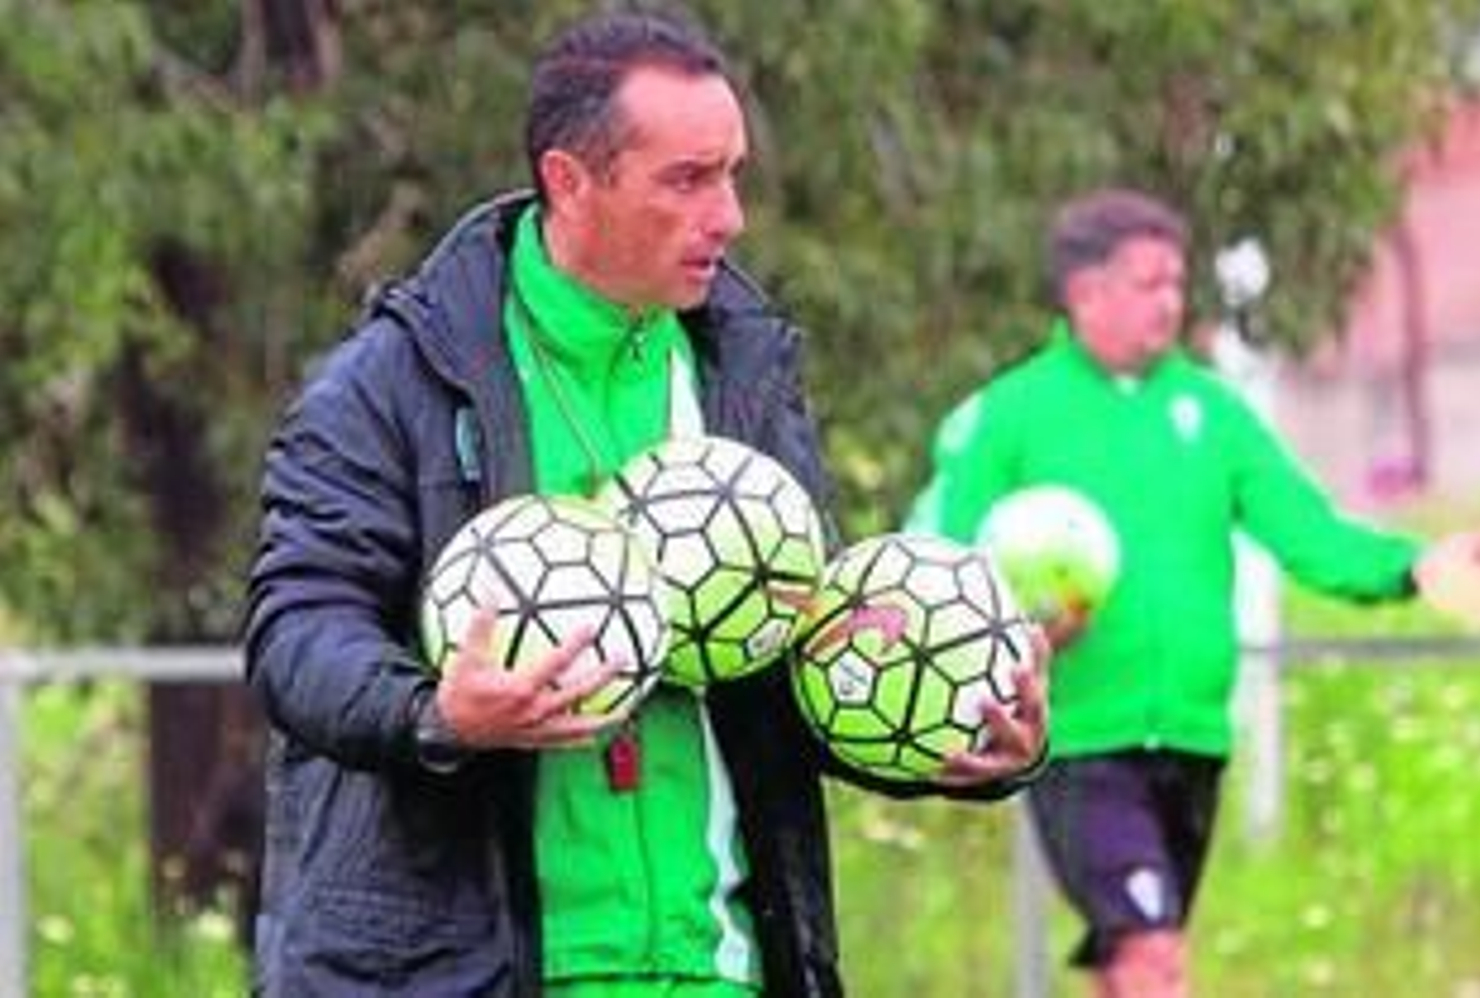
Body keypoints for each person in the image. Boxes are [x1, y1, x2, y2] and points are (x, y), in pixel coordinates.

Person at [243, 9, 1046, 997]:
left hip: (722, 967)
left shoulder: (745, 373)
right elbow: (298, 628)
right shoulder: (391, 377)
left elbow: (795, 661)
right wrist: (436, 711)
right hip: (466, 973)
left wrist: (947, 725)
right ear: (568, 180)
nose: (729, 216)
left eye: (732, 173)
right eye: (687, 179)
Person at [908, 187, 1480, 998]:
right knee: (1151, 955)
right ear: (1087, 293)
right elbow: (944, 569)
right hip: (1079, 741)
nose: (1171, 301)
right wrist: (1014, 634)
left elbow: (1308, 532)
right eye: (1149, 283)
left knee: (1138, 962)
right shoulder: (1012, 414)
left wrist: (1418, 563)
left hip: (1193, 737)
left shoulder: (1213, 411)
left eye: (1177, 282)